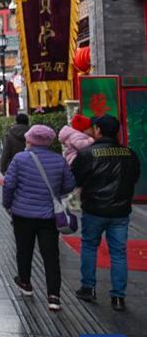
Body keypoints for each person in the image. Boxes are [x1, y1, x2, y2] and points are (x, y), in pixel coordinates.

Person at [2, 125, 75, 311]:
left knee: (24, 250)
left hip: (23, 215)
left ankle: (25, 283)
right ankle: (54, 296)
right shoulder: (59, 161)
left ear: (30, 140)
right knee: (51, 256)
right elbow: (69, 185)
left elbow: (9, 184)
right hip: (49, 216)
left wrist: (7, 204)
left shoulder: (20, 159)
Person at [72, 115, 141, 312]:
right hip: (120, 210)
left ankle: (88, 287)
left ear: (98, 130)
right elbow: (134, 178)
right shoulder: (129, 154)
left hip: (94, 209)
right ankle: (118, 296)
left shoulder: (87, 154)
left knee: (89, 246)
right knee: (118, 252)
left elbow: (74, 178)